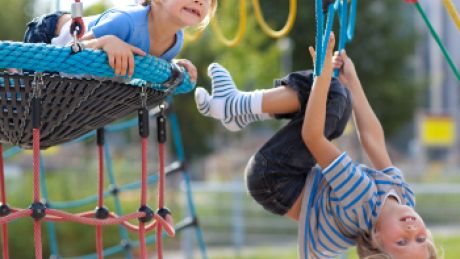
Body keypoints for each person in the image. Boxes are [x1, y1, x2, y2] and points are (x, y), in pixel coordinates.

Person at [195, 34, 438, 258]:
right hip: (296, 179)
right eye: (420, 238)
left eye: (402, 243)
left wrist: (322, 75)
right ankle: (239, 110)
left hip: (273, 178)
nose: (411, 229)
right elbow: (373, 139)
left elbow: (312, 137)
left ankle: (236, 106)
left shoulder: (362, 201)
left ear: (376, 242)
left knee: (332, 94)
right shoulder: (404, 197)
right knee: (338, 99)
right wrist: (352, 81)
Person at [23, 0, 218, 80]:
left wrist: (171, 66)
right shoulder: (125, 22)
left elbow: (146, 62)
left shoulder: (176, 42)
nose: (200, 1)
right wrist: (107, 40)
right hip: (48, 36)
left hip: (76, 78)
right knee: (25, 107)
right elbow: (70, 50)